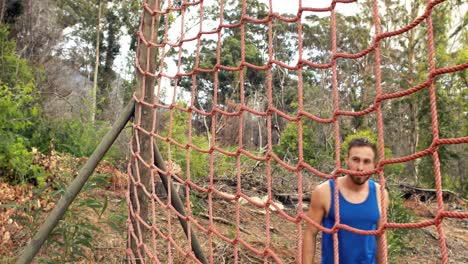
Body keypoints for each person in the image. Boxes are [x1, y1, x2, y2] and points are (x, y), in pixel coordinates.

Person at [302, 138, 389, 264]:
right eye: (355, 160)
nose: (360, 167)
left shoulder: (380, 194)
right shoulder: (324, 192)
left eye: (366, 161)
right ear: (346, 160)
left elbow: (380, 237)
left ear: (375, 165)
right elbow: (310, 233)